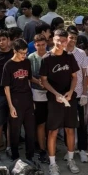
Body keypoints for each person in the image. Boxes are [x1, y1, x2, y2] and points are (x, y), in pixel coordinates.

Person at [40, 29, 81, 175]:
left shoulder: (69, 58)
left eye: (63, 41)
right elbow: (43, 80)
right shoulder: (46, 58)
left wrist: (70, 92)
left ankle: (70, 160)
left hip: (69, 98)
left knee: (70, 129)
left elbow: (75, 77)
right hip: (54, 100)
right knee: (53, 131)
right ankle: (52, 163)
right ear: (53, 39)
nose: (60, 43)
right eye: (58, 40)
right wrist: (55, 93)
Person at [2, 39, 35, 162]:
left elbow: (29, 79)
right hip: (15, 101)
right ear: (14, 51)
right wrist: (11, 106)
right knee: (15, 131)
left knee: (30, 130)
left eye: (25, 53)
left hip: (27, 99)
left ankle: (30, 156)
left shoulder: (26, 62)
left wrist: (40, 83)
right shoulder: (8, 65)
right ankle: (15, 157)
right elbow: (6, 87)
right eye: (22, 53)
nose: (24, 55)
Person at [66, 27, 88, 163]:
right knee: (67, 123)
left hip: (79, 92)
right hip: (66, 93)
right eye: (71, 37)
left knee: (82, 123)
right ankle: (69, 149)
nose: (73, 40)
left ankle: (82, 150)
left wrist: (85, 92)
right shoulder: (62, 52)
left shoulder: (81, 53)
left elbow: (85, 74)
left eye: (75, 38)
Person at [29, 34, 50, 163]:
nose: (41, 47)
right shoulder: (31, 58)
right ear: (34, 45)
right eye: (38, 45)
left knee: (50, 122)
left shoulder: (51, 56)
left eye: (43, 44)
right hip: (37, 92)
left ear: (46, 44)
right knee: (40, 122)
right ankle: (42, 149)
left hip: (51, 93)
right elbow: (29, 75)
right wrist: (39, 82)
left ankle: (49, 146)